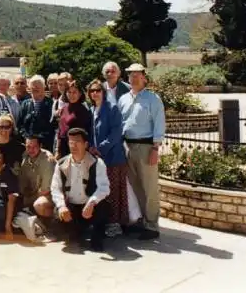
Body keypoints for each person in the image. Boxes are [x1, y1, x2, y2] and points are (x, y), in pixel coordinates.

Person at [119, 63, 165, 240]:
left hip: (146, 147)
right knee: (135, 187)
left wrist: (155, 148)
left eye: (137, 75)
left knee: (149, 188)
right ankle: (140, 221)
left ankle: (152, 225)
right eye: (131, 75)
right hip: (127, 147)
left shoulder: (153, 99)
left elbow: (159, 123)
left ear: (144, 78)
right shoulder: (124, 99)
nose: (134, 78)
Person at [51, 127, 110, 251]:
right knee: (58, 217)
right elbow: (55, 188)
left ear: (86, 144)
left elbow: (104, 188)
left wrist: (92, 202)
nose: (73, 145)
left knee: (103, 206)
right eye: (71, 142)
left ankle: (97, 238)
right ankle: (76, 233)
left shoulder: (97, 163)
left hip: (89, 207)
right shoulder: (61, 164)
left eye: (77, 142)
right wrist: (62, 206)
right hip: (72, 207)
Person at [87, 79, 128, 238]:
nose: (95, 93)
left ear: (103, 92)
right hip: (97, 158)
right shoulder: (91, 110)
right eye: (92, 91)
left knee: (114, 192)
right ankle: (103, 222)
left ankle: (115, 224)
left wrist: (100, 148)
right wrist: (90, 147)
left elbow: (117, 133)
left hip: (113, 157)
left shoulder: (112, 109)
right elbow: (91, 134)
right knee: (101, 191)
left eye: (98, 90)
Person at [14, 135, 56, 241]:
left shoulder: (48, 160)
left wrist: (27, 202)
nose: (31, 150)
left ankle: (53, 227)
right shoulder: (25, 156)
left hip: (50, 195)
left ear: (40, 146)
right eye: (28, 147)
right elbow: (22, 184)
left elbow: (45, 190)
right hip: (33, 194)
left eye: (34, 147)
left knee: (39, 205)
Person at [17, 74, 55, 152]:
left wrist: (38, 140)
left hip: (45, 146)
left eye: (38, 85)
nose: (35, 88)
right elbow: (20, 125)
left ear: (44, 87)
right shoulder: (25, 104)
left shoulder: (51, 103)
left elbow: (52, 126)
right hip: (28, 145)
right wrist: (27, 138)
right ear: (29, 88)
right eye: (33, 86)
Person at [56, 81, 93, 158]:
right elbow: (60, 130)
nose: (71, 95)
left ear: (80, 94)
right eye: (69, 92)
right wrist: (57, 150)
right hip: (62, 147)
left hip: (75, 147)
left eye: (74, 92)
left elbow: (87, 132)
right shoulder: (64, 108)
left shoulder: (83, 111)